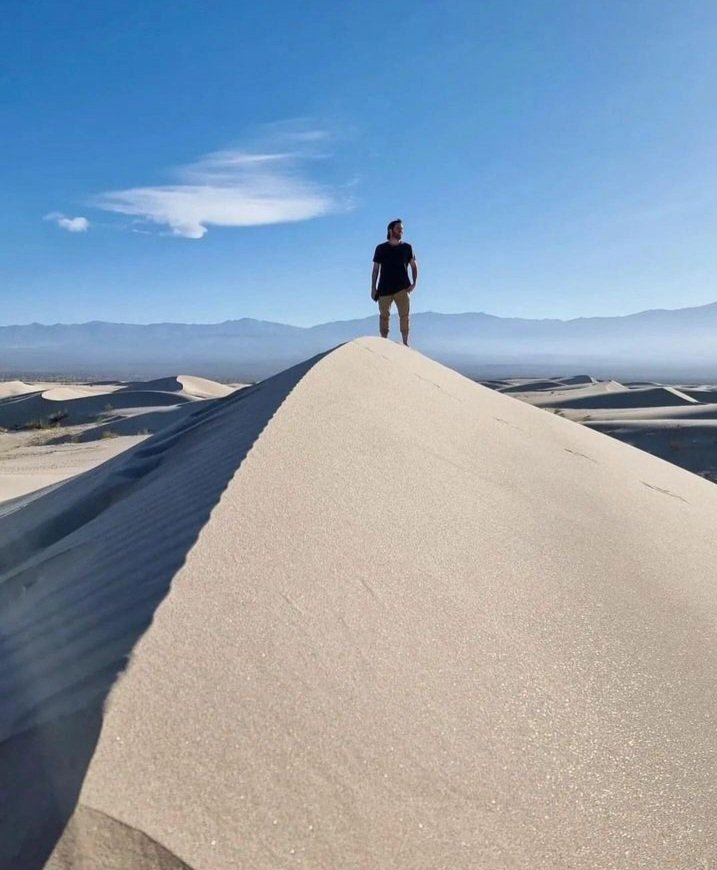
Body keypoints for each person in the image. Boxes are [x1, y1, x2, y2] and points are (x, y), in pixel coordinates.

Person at [371, 219, 418, 346]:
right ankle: (384, 342)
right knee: (384, 316)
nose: (401, 231)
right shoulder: (380, 248)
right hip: (384, 289)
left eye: (402, 229)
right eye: (398, 228)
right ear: (390, 230)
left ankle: (405, 343)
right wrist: (373, 288)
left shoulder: (407, 248)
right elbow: (375, 270)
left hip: (402, 288)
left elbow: (414, 266)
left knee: (404, 315)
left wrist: (414, 283)